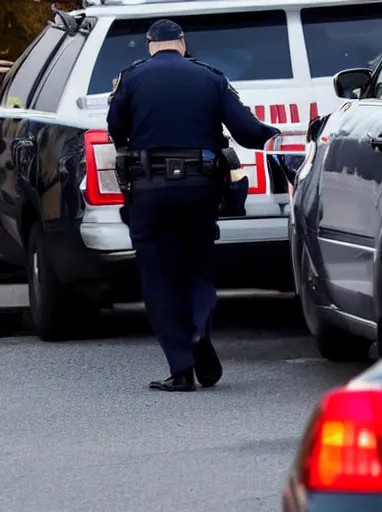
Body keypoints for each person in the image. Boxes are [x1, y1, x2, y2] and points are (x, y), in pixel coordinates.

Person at [106, 19, 280, 392]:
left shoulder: (130, 78)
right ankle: (200, 330)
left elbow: (115, 128)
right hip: (200, 189)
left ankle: (181, 367)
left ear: (149, 45)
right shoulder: (211, 77)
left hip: (150, 192)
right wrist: (278, 137)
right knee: (199, 269)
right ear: (182, 43)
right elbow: (248, 131)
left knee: (159, 278)